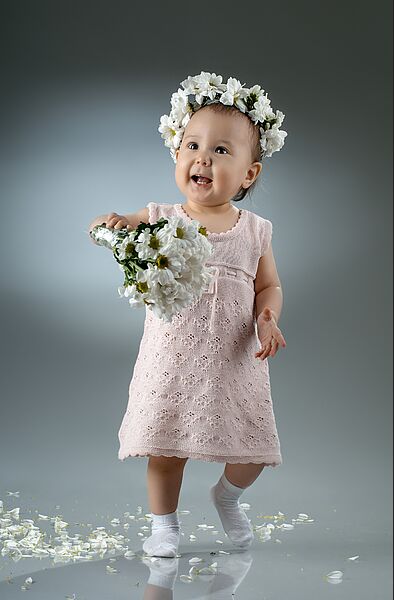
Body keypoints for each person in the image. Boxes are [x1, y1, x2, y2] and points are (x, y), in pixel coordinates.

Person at [88, 71, 288, 559]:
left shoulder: (255, 230)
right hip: (173, 358)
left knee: (252, 449)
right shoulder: (161, 216)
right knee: (165, 446)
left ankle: (227, 495)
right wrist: (114, 229)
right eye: (193, 144)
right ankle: (165, 527)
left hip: (234, 358)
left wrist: (268, 315)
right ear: (177, 154)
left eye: (222, 151)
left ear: (249, 173)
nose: (203, 157)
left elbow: (270, 285)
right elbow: (99, 225)